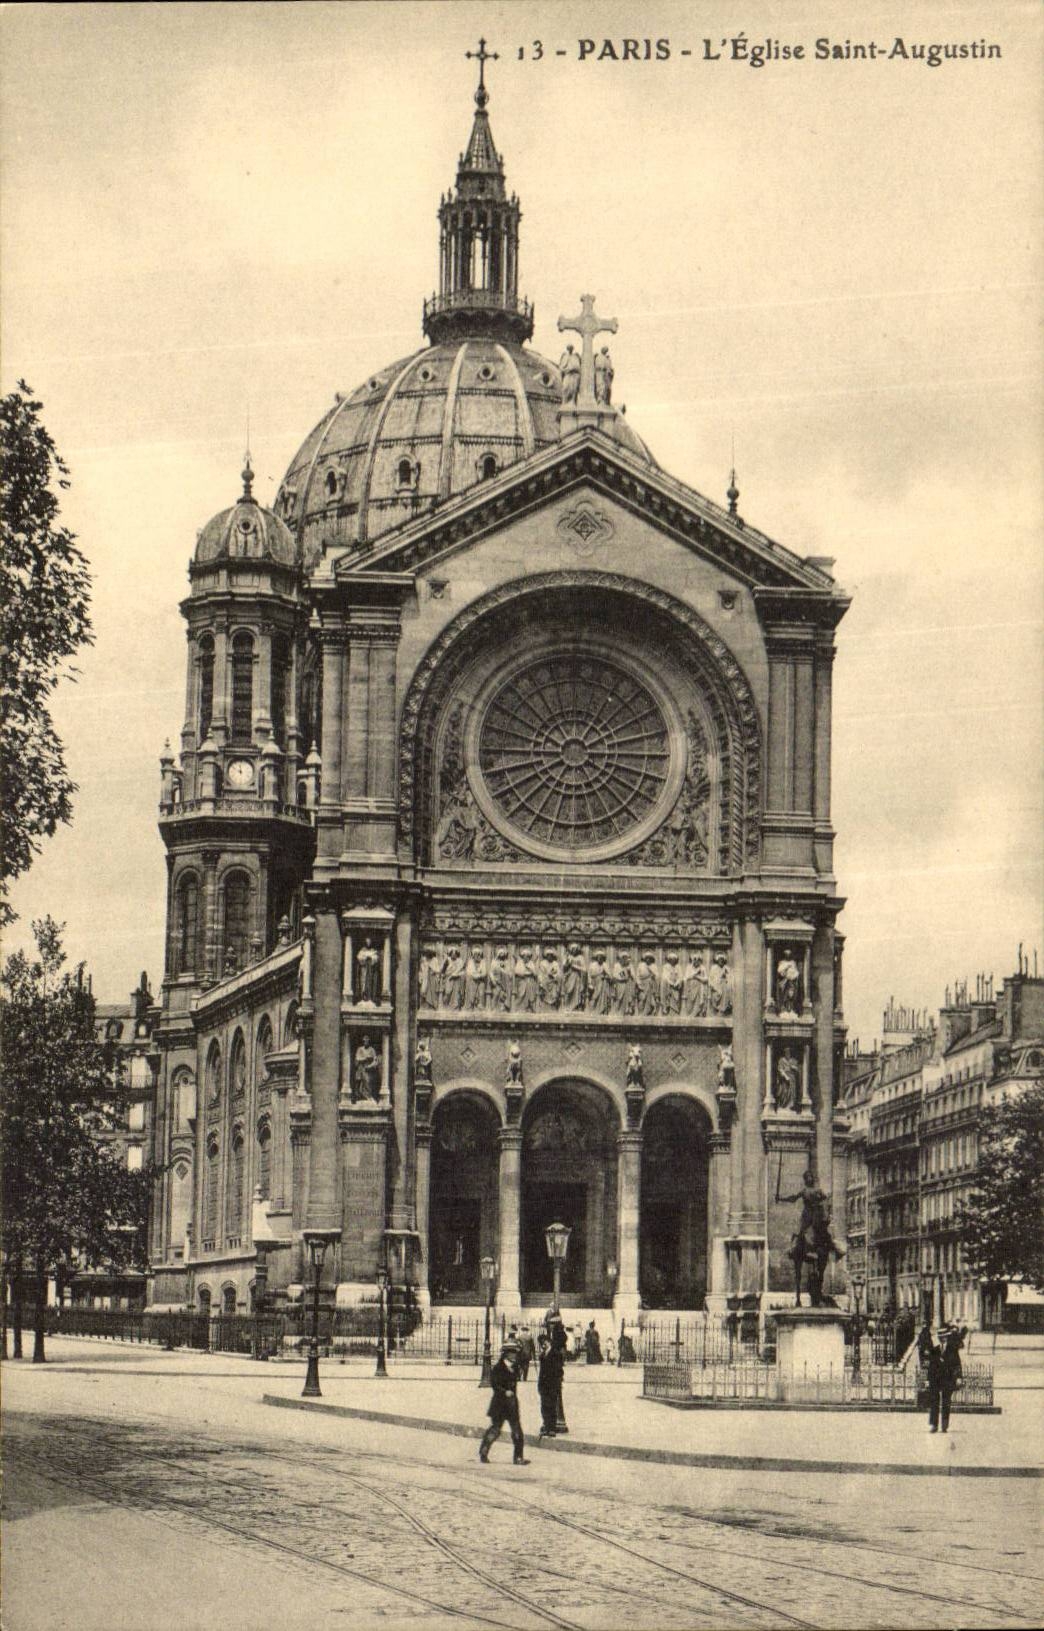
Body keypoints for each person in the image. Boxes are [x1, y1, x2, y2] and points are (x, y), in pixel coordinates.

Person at [479, 1341, 528, 1464]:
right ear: (506, 1354)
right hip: (500, 1403)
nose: (515, 1355)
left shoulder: (514, 1367)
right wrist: (504, 1391)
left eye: (515, 1353)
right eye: (512, 1353)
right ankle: (483, 1451)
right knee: (495, 1429)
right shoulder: (498, 1368)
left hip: (511, 1404)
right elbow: (495, 1384)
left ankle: (518, 1457)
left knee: (517, 1430)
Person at [926, 1324, 964, 1433]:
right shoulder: (935, 1350)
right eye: (940, 1337)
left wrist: (958, 1377)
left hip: (948, 1379)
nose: (942, 1338)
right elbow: (931, 1366)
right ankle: (934, 1425)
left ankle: (944, 1425)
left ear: (947, 1337)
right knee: (934, 1402)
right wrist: (928, 1380)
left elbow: (957, 1364)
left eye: (944, 1336)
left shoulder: (953, 1349)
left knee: (946, 1403)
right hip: (935, 1379)